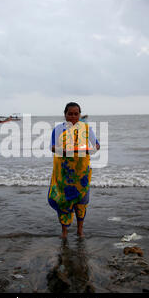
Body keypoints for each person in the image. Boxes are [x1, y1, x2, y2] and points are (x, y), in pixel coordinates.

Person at [48, 102, 100, 239]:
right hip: (64, 174)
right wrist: (63, 151)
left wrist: (91, 149)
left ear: (80, 115)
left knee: (82, 202)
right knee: (64, 202)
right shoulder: (58, 129)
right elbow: (52, 147)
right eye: (70, 113)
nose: (73, 116)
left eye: (76, 114)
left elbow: (97, 145)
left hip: (81, 173)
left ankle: (80, 230)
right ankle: (64, 232)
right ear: (65, 115)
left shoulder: (86, 129)